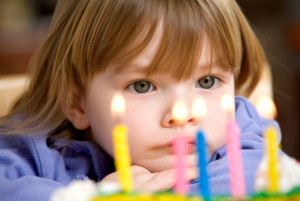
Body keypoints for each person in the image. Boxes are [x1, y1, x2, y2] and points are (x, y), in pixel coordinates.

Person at [0, 0, 281, 200]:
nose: (182, 114)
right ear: (76, 100)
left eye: (206, 81)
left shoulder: (241, 129)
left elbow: (260, 175)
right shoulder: (33, 148)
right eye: (143, 85)